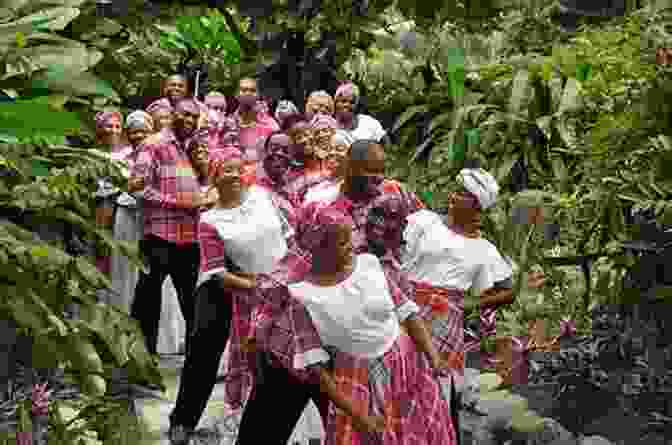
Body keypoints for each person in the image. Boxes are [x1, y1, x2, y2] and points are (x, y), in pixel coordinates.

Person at [240, 200, 456, 445]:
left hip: (402, 365)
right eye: (343, 242)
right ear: (318, 249)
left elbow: (406, 309)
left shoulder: (369, 263)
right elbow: (314, 365)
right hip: (345, 373)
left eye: (350, 238)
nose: (352, 245)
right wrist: (255, 340)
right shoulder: (301, 292)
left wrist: (433, 357)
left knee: (414, 428)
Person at [168, 152, 300, 444]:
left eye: (238, 169)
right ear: (214, 177)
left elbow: (291, 237)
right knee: (204, 348)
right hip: (224, 283)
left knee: (271, 351)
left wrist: (284, 279)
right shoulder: (210, 220)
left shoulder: (264, 197)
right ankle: (183, 421)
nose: (235, 175)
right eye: (226, 170)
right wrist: (257, 286)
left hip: (273, 281)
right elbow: (216, 272)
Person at [401, 168, 545, 381]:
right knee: (399, 375)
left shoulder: (484, 250)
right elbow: (393, 253)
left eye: (461, 194)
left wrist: (466, 305)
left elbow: (508, 291)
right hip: (404, 309)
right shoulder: (424, 221)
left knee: (437, 384)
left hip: (444, 322)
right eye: (456, 191)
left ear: (477, 206)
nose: (452, 196)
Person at [129, 97, 212, 362]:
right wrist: (177, 203)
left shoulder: (189, 148)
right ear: (172, 115)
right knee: (147, 302)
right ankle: (142, 362)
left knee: (193, 302)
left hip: (188, 238)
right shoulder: (154, 145)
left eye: (193, 117)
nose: (188, 120)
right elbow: (136, 186)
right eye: (184, 115)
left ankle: (196, 359)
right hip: (159, 237)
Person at [93, 111, 125, 279]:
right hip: (100, 203)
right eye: (109, 126)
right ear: (100, 129)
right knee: (101, 242)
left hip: (124, 205)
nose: (113, 130)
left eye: (117, 126)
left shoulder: (128, 153)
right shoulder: (92, 154)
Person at [283, 113, 338, 207]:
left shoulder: (330, 159)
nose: (305, 140)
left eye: (307, 134)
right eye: (299, 137)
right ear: (291, 142)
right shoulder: (289, 172)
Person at [233, 78, 280, 185]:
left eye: (252, 90)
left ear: (258, 95)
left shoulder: (271, 125)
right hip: (236, 182)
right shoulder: (228, 124)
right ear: (236, 94)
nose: (248, 93)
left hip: (263, 183)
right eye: (244, 90)